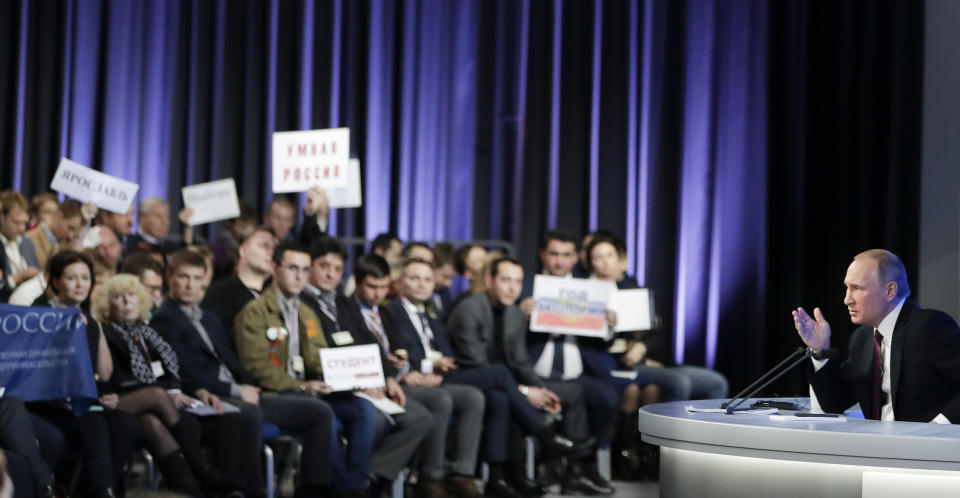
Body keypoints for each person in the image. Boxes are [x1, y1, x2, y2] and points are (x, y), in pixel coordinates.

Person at [447, 256, 612, 495]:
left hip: (503, 386)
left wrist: (540, 390)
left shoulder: (514, 314)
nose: (513, 288)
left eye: (517, 281)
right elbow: (477, 364)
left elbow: (521, 362)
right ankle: (546, 437)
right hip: (469, 379)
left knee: (509, 399)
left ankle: (506, 478)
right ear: (489, 280)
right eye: (505, 280)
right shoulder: (469, 309)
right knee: (503, 387)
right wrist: (525, 391)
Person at [234, 240, 378, 496]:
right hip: (272, 395)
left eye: (304, 269)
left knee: (363, 408)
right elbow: (257, 368)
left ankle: (355, 486)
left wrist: (346, 376)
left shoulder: (306, 313)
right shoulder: (255, 312)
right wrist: (302, 385)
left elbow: (317, 357)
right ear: (274, 267)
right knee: (322, 413)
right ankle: (327, 490)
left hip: (307, 393)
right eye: (292, 268)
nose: (299, 276)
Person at [299, 239, 434, 496]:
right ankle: (353, 486)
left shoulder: (343, 302)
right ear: (310, 267)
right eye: (324, 266)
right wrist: (359, 381)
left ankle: (363, 482)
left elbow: (368, 341)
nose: (331, 274)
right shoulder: (302, 302)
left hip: (358, 386)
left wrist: (387, 377)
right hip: (326, 387)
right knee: (370, 416)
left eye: (337, 269)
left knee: (416, 417)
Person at [91, 274, 246, 496]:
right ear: (107, 304)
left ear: (141, 299)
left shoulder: (149, 332)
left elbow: (173, 369)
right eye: (118, 297)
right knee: (156, 394)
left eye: (131, 295)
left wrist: (187, 390)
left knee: (153, 423)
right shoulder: (105, 334)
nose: (127, 302)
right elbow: (115, 379)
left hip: (149, 409)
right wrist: (166, 392)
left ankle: (190, 487)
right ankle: (203, 470)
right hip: (117, 401)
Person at [793, 249, 960, 422]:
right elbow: (834, 404)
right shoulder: (862, 339)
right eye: (847, 288)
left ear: (890, 291)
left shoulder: (928, 326)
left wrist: (937, 426)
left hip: (931, 444)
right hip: (878, 443)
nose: (847, 299)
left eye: (857, 288)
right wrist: (820, 350)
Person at [30, 250, 141, 498]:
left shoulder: (90, 319)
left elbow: (104, 373)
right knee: (94, 424)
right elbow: (44, 371)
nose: (80, 284)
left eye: (85, 278)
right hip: (49, 404)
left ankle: (105, 490)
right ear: (56, 282)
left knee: (126, 425)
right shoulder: (39, 315)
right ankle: (103, 492)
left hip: (83, 403)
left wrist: (97, 329)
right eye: (72, 278)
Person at [202, 226, 277, 337]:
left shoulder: (280, 295)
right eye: (264, 245)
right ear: (243, 250)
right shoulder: (220, 293)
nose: (270, 252)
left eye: (274, 248)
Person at [25, 199, 85, 268]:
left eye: (75, 234)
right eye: (70, 228)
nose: (71, 236)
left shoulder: (67, 247)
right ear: (58, 215)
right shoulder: (29, 240)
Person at [0, 190, 40, 293]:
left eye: (24, 223)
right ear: (2, 217)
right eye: (16, 222)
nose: (22, 229)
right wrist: (20, 276)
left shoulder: (27, 243)